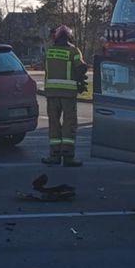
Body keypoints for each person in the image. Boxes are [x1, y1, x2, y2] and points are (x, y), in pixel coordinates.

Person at [42, 25, 87, 167]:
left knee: (54, 123)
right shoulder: (73, 51)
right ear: (69, 37)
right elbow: (81, 67)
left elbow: (46, 67)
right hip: (68, 94)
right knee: (69, 123)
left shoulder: (49, 51)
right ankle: (68, 156)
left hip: (51, 93)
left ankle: (54, 155)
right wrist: (80, 80)